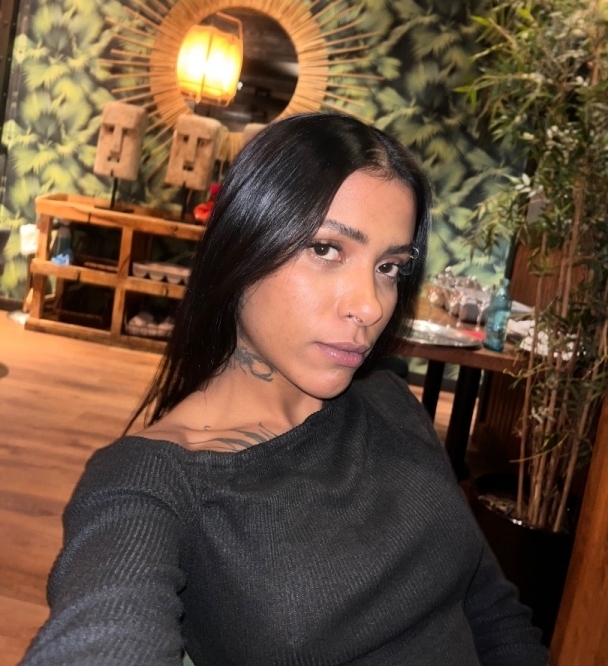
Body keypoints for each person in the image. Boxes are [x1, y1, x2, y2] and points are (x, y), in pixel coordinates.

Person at [21, 113, 548, 666]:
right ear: (242, 244)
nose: (370, 305)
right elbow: (104, 622)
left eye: (389, 267)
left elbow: (491, 608)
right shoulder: (155, 482)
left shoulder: (394, 404)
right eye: (326, 249)